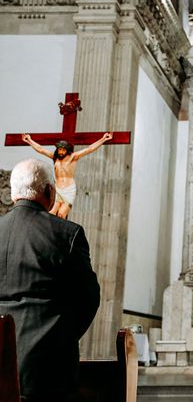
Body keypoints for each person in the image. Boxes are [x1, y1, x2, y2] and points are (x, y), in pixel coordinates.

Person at [0, 159, 100, 402]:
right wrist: (62, 335)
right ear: (49, 191)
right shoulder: (67, 234)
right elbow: (88, 298)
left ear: (13, 194)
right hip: (47, 367)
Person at [21, 132, 113, 219]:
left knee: (61, 215)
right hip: (57, 189)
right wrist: (29, 140)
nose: (61, 151)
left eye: (63, 149)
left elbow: (89, 149)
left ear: (66, 150)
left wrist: (103, 139)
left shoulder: (73, 157)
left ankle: (59, 234)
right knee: (51, 213)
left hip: (69, 189)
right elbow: (41, 149)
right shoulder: (55, 157)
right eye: (59, 149)